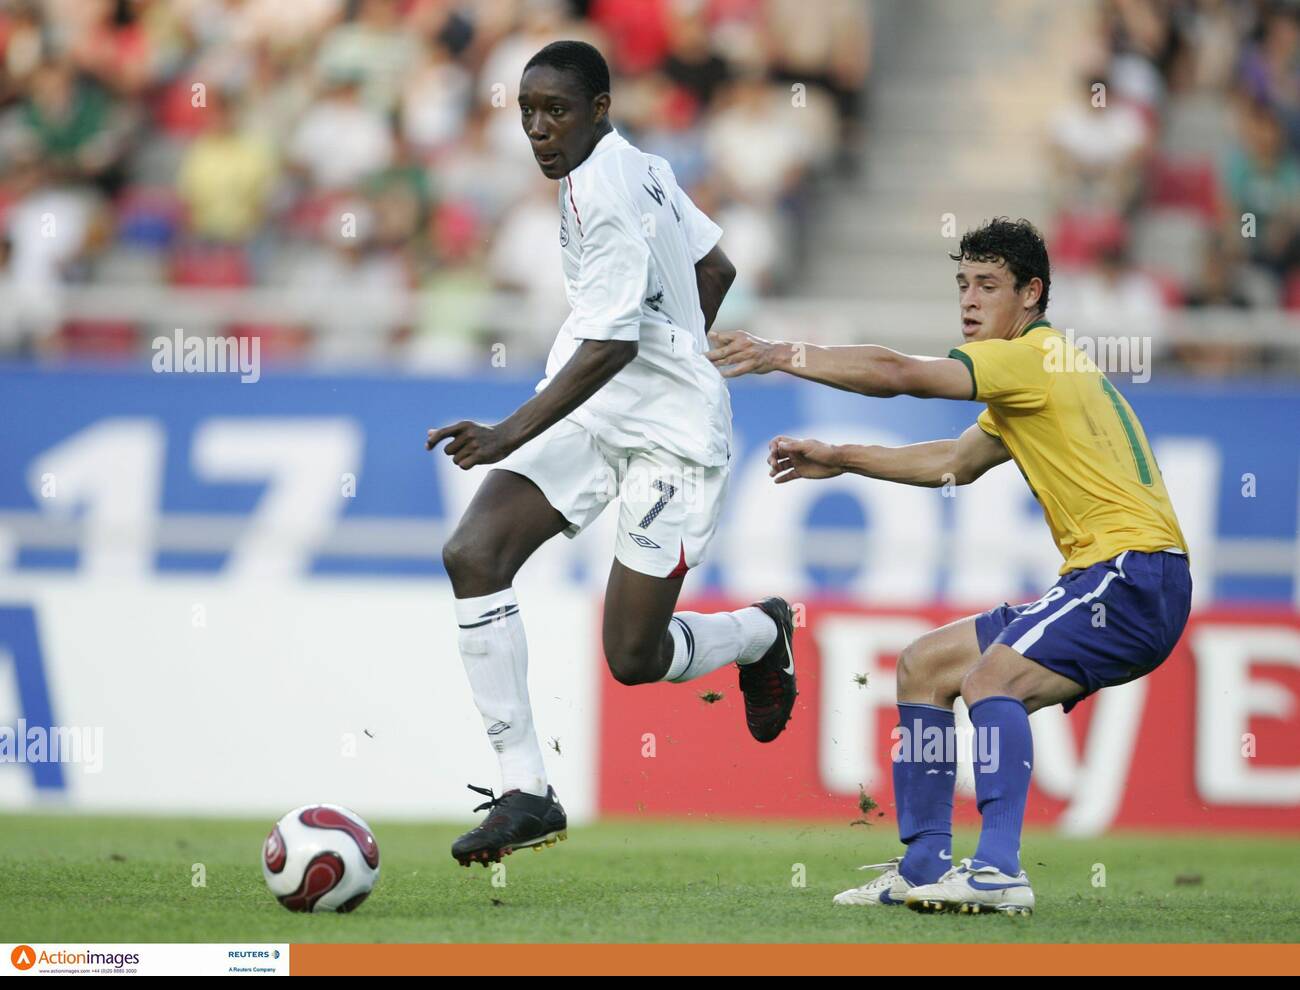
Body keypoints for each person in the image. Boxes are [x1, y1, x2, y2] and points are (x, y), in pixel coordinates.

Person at [708, 218, 1190, 915]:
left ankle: (998, 869)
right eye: (963, 284)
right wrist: (842, 456)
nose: (969, 300)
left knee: (991, 676)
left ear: (1032, 293)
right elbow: (953, 462)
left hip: (1133, 573)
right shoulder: (1035, 375)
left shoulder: (1029, 358)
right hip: (1116, 576)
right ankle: (925, 863)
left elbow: (902, 374)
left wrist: (781, 351)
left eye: (988, 285)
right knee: (925, 664)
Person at [428, 41, 798, 868]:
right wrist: (684, 343)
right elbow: (716, 262)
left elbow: (612, 346)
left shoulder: (605, 187)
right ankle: (525, 788)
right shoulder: (642, 164)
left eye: (555, 110)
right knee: (473, 551)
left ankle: (758, 632)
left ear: (600, 107)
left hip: (667, 433)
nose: (538, 128)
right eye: (526, 111)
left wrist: (505, 433)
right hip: (599, 408)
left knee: (633, 657)